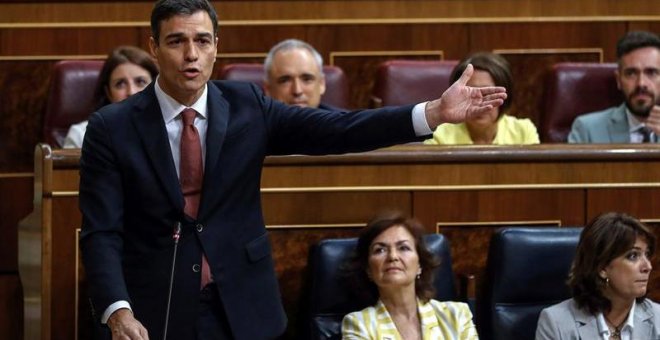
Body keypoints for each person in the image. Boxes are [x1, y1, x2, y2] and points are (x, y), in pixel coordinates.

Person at [78, 0, 506, 339]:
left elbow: (339, 129)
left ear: (216, 46)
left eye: (203, 41)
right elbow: (101, 233)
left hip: (243, 307)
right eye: (176, 42)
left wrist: (431, 113)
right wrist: (118, 311)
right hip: (153, 310)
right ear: (153, 48)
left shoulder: (248, 106)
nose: (191, 55)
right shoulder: (111, 128)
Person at [341, 212, 478, 339]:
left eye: (403, 248)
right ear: (369, 270)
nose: (393, 256)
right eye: (380, 250)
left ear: (420, 265)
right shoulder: (358, 324)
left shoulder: (456, 315)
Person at [536, 212, 660, 339]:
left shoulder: (658, 319)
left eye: (647, 254)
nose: (648, 267)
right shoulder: (556, 324)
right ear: (602, 267)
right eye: (633, 256)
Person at [424, 52, 539, 145]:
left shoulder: (523, 131)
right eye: (471, 94)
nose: (479, 103)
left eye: (487, 94)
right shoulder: (439, 136)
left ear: (505, 97)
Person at [568, 31, 660, 143]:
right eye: (631, 73)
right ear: (619, 80)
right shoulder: (587, 130)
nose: (641, 83)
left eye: (651, 73)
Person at [62, 46, 158, 148]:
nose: (131, 92)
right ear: (108, 93)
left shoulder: (170, 128)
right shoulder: (81, 135)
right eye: (120, 84)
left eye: (140, 82)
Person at [263, 38, 330, 109]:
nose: (297, 91)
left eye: (307, 79)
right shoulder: (253, 119)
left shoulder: (340, 119)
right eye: (285, 81)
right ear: (268, 89)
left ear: (321, 84)